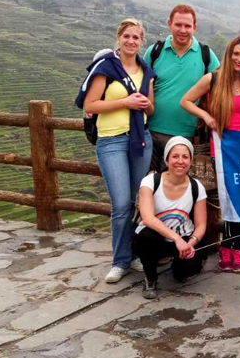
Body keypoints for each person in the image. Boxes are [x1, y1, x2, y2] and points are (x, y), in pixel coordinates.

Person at [78, 18, 155, 283]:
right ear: (118, 37)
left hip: (139, 139)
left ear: (142, 41)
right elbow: (90, 104)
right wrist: (126, 102)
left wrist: (144, 104)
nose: (131, 41)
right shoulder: (106, 68)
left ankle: (132, 255)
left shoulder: (145, 69)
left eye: (136, 37)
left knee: (135, 202)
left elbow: (151, 109)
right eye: (127, 36)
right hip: (111, 141)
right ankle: (120, 261)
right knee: (121, 203)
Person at [180, 36, 240, 273]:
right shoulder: (213, 79)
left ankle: (238, 248)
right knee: (229, 196)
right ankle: (226, 248)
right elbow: (185, 101)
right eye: (236, 54)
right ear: (228, 54)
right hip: (221, 147)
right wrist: (205, 116)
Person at [145, 4, 220, 172]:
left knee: (174, 190)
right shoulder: (154, 51)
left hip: (185, 137)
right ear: (169, 23)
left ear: (195, 27)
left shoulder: (205, 55)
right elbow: (136, 83)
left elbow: (222, 86)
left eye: (187, 26)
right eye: (178, 25)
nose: (183, 30)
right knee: (146, 187)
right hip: (150, 133)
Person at [134, 137, 208, 299]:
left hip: (183, 238)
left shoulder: (197, 187)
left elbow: (201, 224)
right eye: (175, 156)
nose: (180, 161)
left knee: (189, 268)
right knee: (147, 236)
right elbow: (147, 218)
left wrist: (190, 243)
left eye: (185, 157)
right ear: (167, 159)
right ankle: (150, 278)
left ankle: (179, 268)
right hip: (157, 237)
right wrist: (176, 239)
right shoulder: (150, 182)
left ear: (190, 161)